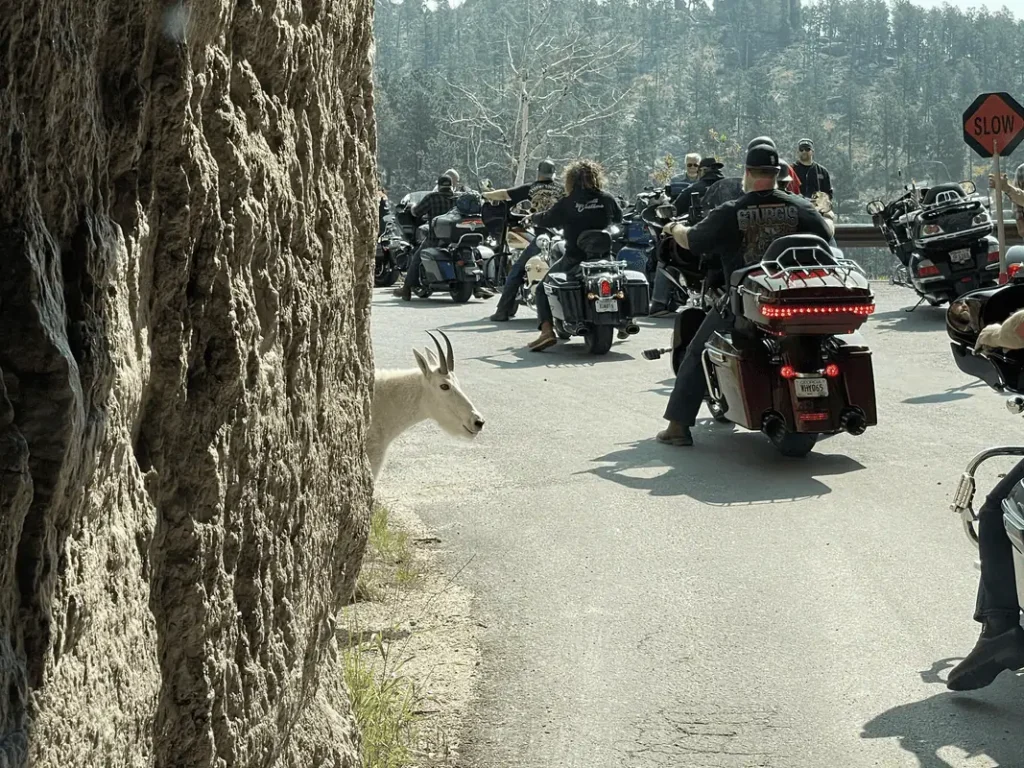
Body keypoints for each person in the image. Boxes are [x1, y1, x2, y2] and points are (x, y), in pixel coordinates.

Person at [655, 141, 833, 446]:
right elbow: (827, 231)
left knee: (698, 349)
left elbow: (691, 240)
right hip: (797, 301)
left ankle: (678, 427)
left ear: (747, 173)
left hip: (743, 306)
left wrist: (672, 227)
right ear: (778, 173)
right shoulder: (800, 207)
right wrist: (828, 216)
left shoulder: (732, 210)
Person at [524, 159, 623, 351]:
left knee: (543, 288)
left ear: (571, 180)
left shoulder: (568, 202)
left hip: (575, 258)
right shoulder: (607, 198)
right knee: (620, 281)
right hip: (605, 259)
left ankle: (546, 332)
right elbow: (619, 219)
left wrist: (532, 217)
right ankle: (625, 318)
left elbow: (547, 218)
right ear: (596, 177)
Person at [484, 160, 565, 321]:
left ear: (538, 172)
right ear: (554, 173)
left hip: (544, 236)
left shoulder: (532, 188)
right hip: (564, 235)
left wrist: (486, 194)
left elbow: (503, 194)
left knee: (517, 270)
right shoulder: (563, 189)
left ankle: (502, 311)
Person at [394, 175, 457, 300]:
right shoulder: (457, 198)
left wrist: (412, 207)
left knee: (417, 258)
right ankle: (477, 287)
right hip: (455, 239)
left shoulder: (432, 198)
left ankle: (406, 289)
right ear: (451, 185)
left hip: (435, 239)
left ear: (438, 186)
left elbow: (416, 212)